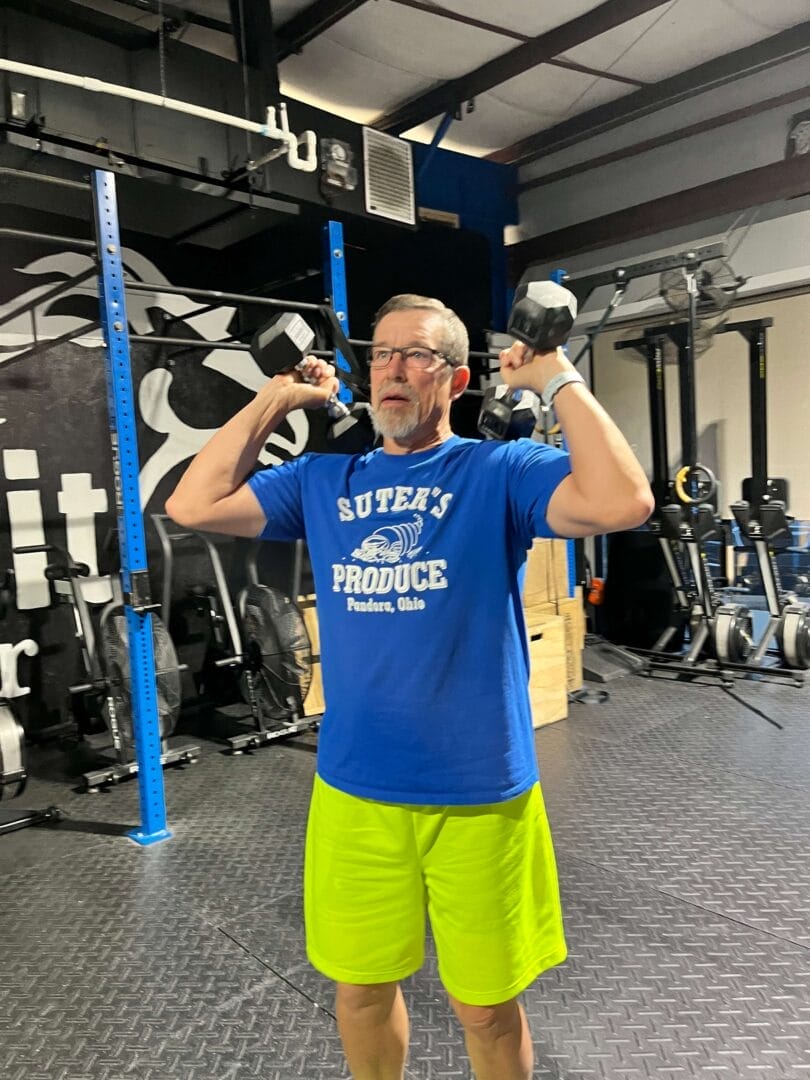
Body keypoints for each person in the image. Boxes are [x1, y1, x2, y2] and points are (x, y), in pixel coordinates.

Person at [166, 293, 653, 1080]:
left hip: (480, 795)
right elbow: (194, 503)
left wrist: (554, 374)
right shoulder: (322, 480)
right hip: (357, 792)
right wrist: (279, 396)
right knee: (358, 993)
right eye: (383, 353)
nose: (394, 367)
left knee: (487, 1009)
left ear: (457, 377)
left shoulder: (497, 471)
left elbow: (622, 501)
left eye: (418, 354)